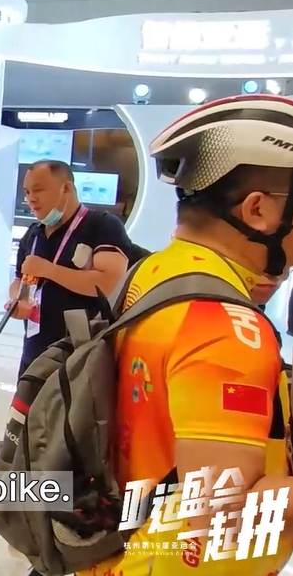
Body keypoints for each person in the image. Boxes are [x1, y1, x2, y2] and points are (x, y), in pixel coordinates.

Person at [82, 94, 293, 576]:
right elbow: (219, 518)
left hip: (121, 549)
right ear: (259, 210)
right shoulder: (226, 326)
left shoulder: (154, 272)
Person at [6, 160, 130, 376]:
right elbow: (19, 280)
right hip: (35, 355)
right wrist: (20, 300)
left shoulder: (101, 225)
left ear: (66, 188)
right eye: (27, 192)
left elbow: (110, 283)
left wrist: (49, 270)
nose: (31, 198)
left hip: (82, 360)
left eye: (38, 190)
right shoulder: (34, 233)